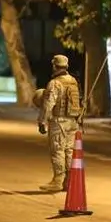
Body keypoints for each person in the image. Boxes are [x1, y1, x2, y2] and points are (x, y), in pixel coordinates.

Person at [37, 54, 81, 192]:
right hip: (73, 122)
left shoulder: (55, 83)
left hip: (59, 122)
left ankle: (57, 180)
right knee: (69, 151)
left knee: (57, 150)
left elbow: (48, 104)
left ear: (55, 66)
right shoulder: (73, 81)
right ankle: (69, 182)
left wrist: (42, 121)